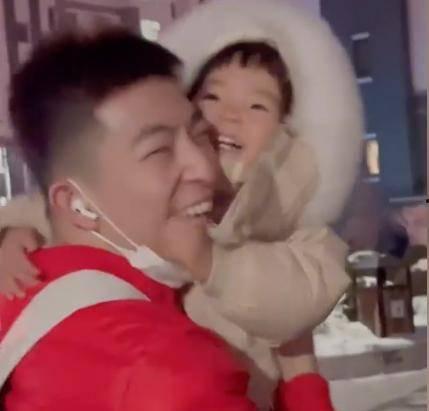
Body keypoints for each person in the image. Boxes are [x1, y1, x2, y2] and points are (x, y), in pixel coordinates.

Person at [0, 1, 363, 410]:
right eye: (159, 150)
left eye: (258, 106)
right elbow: (35, 209)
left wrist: (213, 262)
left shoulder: (293, 224)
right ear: (73, 203)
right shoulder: (162, 373)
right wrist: (9, 235)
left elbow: (303, 294)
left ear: (288, 132)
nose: (202, 167)